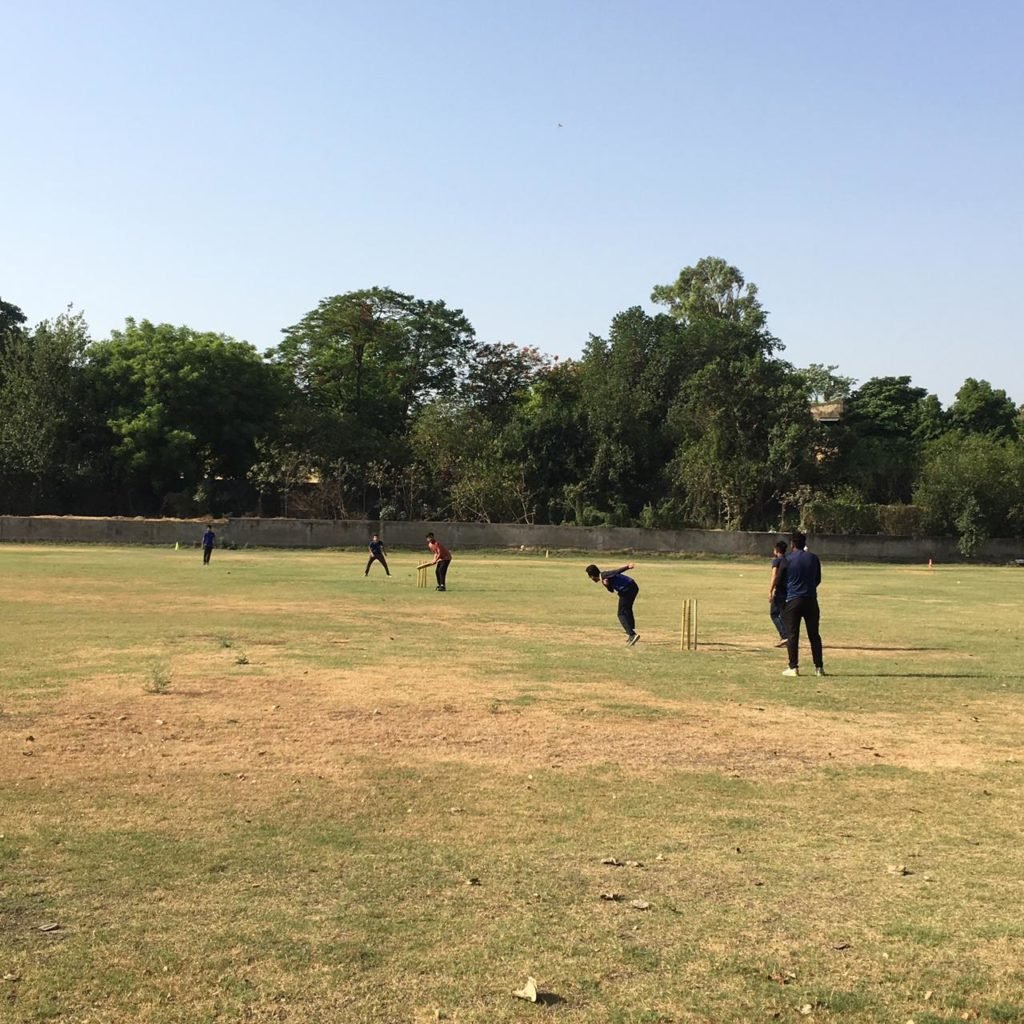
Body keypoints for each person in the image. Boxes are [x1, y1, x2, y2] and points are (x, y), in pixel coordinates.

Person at [781, 531, 824, 677]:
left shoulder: (787, 559)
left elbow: (781, 580)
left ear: (792, 544)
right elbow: (818, 579)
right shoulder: (814, 558)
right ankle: (819, 667)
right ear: (805, 543)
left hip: (793, 599)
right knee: (814, 634)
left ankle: (793, 667)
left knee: (793, 635)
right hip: (811, 599)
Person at [586, 562, 640, 645]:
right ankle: (631, 631)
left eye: (590, 577)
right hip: (632, 586)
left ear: (592, 576)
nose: (591, 579)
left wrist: (627, 567)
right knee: (627, 609)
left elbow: (616, 571)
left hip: (627, 589)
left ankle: (632, 634)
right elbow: (611, 590)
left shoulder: (604, 575)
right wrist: (607, 585)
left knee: (621, 614)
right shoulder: (604, 579)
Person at [768, 540, 789, 647]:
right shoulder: (788, 560)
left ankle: (785, 636)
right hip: (789, 591)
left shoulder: (776, 561)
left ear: (776, 550)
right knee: (784, 614)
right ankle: (788, 636)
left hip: (780, 590)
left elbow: (774, 576)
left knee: (774, 614)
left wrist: (770, 591)